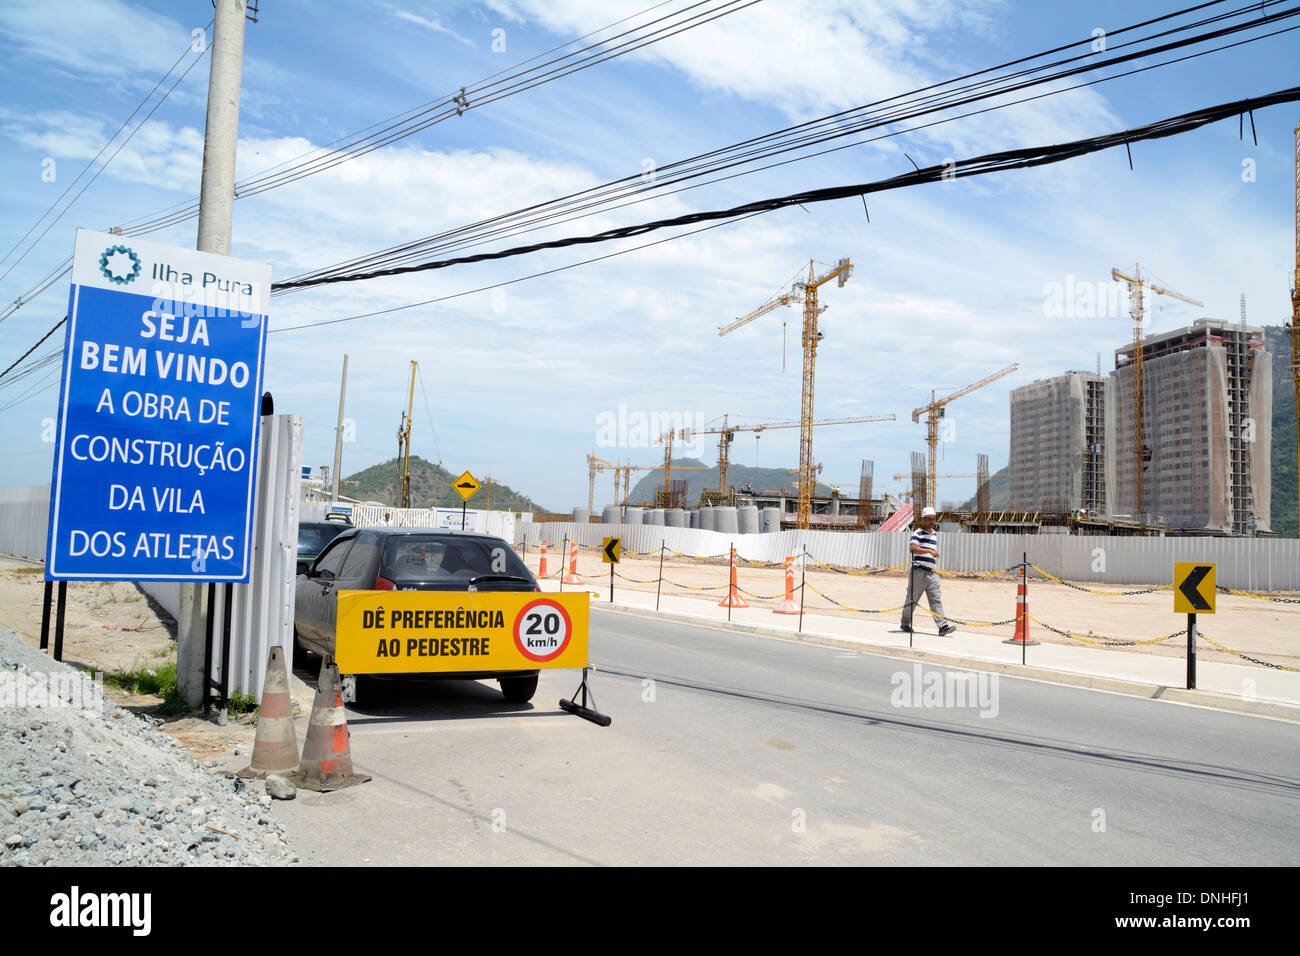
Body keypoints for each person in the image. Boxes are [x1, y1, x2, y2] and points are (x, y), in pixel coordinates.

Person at [901, 506, 955, 636]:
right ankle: (905, 623)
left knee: (936, 599)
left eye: (933, 519)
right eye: (929, 519)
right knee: (912, 599)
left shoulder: (934, 535)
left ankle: (943, 626)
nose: (932, 521)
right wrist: (930, 551)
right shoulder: (917, 533)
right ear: (923, 519)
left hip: (931, 572)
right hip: (919, 571)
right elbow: (913, 548)